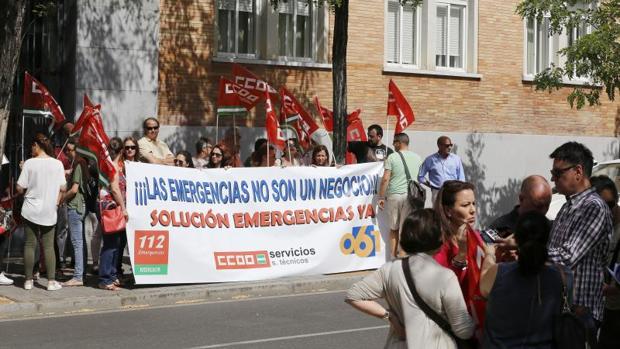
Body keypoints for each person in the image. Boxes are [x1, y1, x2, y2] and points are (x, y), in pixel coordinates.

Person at [346, 209, 474, 348]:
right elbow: (464, 331)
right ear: (437, 237)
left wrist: (390, 316)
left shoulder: (389, 269)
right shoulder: (445, 276)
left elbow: (353, 295)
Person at [546, 142, 612, 338]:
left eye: (558, 173)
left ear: (578, 171)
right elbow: (553, 252)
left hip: (580, 313)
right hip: (563, 311)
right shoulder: (567, 207)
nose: (553, 178)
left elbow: (567, 257)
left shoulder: (594, 208)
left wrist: (528, 252)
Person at [480, 211, 567, 348]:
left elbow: (483, 288)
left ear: (517, 239)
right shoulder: (562, 276)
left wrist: (489, 256)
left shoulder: (499, 272)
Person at [433, 180, 486, 336]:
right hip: (453, 322)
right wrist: (461, 253)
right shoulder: (439, 243)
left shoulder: (474, 234)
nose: (472, 210)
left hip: (477, 317)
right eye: (465, 205)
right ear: (448, 211)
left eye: (474, 203)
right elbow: (444, 286)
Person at [17, 133, 66, 291]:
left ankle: (28, 281)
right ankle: (51, 282)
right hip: (49, 209)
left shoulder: (29, 164)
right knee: (48, 246)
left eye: (32, 145)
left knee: (30, 244)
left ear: (37, 146)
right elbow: (63, 188)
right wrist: (57, 202)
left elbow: (19, 187)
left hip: (30, 208)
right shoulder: (57, 164)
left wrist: (22, 170)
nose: (31, 148)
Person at [377, 133, 423, 257]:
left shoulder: (392, 157)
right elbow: (420, 178)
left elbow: (385, 179)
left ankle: (394, 259)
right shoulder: (418, 158)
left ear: (399, 143)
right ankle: (406, 256)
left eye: (394, 142)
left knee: (394, 229)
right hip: (412, 197)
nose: (393, 145)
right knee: (407, 229)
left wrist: (381, 197)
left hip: (395, 196)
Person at [589, 175, 620, 348]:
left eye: (610, 204)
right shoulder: (592, 227)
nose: (607, 211)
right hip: (595, 306)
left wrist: (613, 289)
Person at [98, 137, 128, 291]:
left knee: (115, 244)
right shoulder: (113, 167)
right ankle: (105, 278)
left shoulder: (109, 165)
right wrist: (123, 208)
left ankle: (111, 275)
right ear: (122, 150)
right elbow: (115, 189)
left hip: (110, 208)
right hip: (112, 209)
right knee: (110, 244)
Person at [61, 138, 90, 287]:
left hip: (75, 206)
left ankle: (78, 276)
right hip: (81, 206)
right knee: (81, 242)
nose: (68, 153)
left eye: (70, 150)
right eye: (67, 150)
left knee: (77, 242)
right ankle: (82, 273)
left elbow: (74, 189)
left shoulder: (79, 163)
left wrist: (61, 199)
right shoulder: (79, 163)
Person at [488, 175, 552, 235]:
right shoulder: (500, 227)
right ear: (521, 199)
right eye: (538, 206)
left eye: (547, 205)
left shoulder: (551, 229)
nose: (544, 211)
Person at [418, 136, 466, 203]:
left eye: (451, 145)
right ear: (439, 146)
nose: (449, 148)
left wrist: (460, 192)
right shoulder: (430, 160)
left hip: (452, 192)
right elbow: (420, 177)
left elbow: (461, 178)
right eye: (447, 145)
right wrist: (431, 185)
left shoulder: (456, 159)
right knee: (437, 213)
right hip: (437, 192)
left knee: (452, 213)